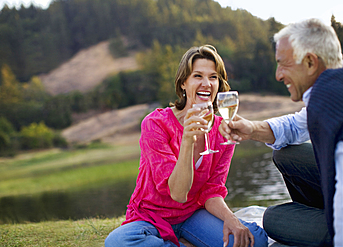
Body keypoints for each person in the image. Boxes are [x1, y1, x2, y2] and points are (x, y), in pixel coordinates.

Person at [105, 45, 268, 247]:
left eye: (213, 77)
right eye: (198, 76)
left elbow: (212, 191)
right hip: (152, 217)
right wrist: (187, 141)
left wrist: (231, 219)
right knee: (119, 242)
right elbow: (178, 194)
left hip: (193, 215)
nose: (206, 84)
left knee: (255, 240)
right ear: (183, 83)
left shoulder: (223, 130)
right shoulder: (156, 123)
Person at [219, 18, 343, 246]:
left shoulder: (328, 101)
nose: (278, 75)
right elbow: (295, 126)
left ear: (310, 63)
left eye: (284, 64)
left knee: (274, 218)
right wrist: (252, 129)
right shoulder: (333, 88)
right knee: (286, 155)